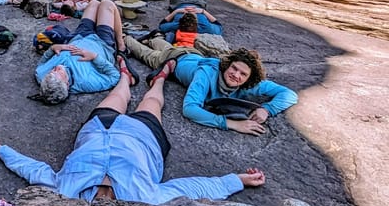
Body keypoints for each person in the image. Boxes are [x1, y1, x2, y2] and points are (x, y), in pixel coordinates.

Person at [0, 65, 266, 204]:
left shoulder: (65, 191)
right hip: (143, 137)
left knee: (118, 95)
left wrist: (2, 150)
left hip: (98, 129)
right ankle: (159, 80)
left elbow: (35, 171)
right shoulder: (144, 198)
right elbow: (189, 188)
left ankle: (125, 77)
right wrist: (237, 180)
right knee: (152, 102)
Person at [122, 39, 298, 136]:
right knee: (145, 53)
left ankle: (155, 38)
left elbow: (289, 94)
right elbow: (190, 109)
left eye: (242, 74)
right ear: (227, 65)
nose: (236, 75)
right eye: (234, 68)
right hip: (175, 60)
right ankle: (127, 38)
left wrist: (267, 110)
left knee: (162, 44)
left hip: (194, 53)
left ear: (249, 78)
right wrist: (232, 124)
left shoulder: (252, 85)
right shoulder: (206, 74)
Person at [36, 0, 134, 104]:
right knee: (107, 4)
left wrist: (53, 48)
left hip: (79, 37)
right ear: (67, 84)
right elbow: (114, 77)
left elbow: (42, 63)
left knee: (93, 3)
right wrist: (95, 57)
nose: (56, 68)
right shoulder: (86, 82)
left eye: (52, 71)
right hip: (102, 44)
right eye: (58, 72)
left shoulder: (42, 75)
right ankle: (121, 44)